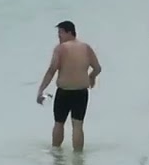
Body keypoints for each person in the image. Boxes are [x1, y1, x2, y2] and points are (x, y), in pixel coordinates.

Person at [36, 20, 102, 151]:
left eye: (60, 32)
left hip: (64, 92)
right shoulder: (86, 47)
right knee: (78, 125)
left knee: (59, 123)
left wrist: (41, 89)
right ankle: (78, 157)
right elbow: (97, 68)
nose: (58, 36)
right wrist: (92, 77)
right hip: (81, 92)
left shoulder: (61, 49)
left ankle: (56, 154)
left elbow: (52, 70)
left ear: (69, 32)